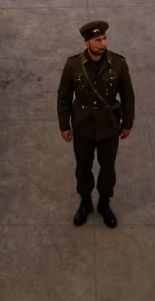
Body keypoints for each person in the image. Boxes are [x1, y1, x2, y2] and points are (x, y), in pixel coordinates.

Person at [57, 19, 135, 228]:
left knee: (108, 169)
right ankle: (85, 203)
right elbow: (63, 96)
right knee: (83, 168)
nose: (103, 43)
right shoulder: (73, 65)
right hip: (83, 125)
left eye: (104, 38)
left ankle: (104, 204)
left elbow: (128, 96)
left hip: (109, 126)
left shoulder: (118, 64)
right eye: (97, 40)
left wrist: (127, 124)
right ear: (87, 43)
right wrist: (64, 125)